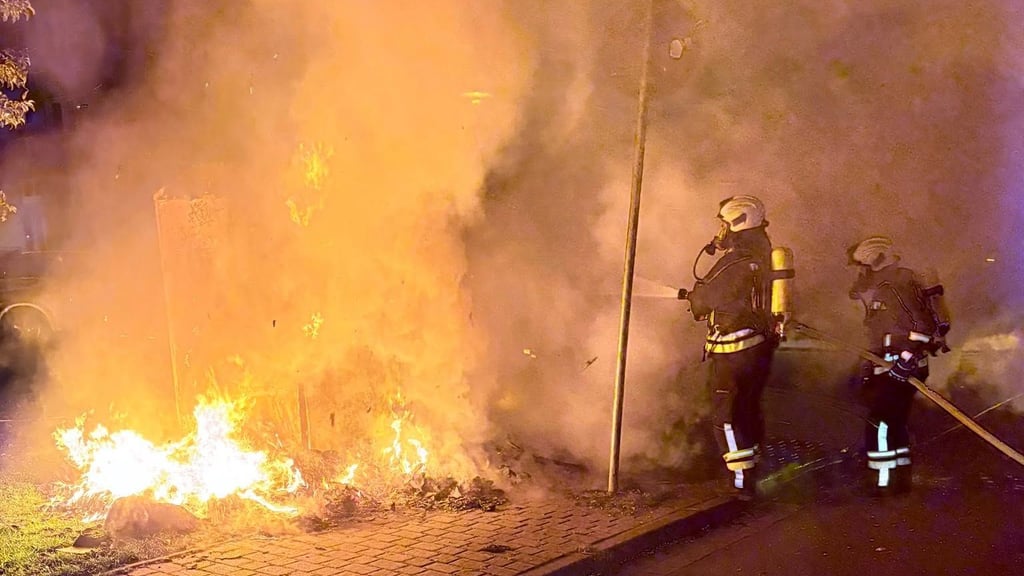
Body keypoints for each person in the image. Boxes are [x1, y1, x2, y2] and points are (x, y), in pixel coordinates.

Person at [678, 196, 778, 496]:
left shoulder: (735, 261)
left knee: (726, 416)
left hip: (733, 350)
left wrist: (694, 299)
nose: (720, 231)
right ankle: (753, 472)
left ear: (738, 222)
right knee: (748, 409)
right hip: (757, 349)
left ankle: (741, 481)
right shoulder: (762, 254)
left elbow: (707, 297)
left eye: (723, 224)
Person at [847, 235, 950, 495]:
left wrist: (905, 361)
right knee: (895, 421)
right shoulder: (897, 282)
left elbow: (922, 328)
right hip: (899, 364)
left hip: (899, 365)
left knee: (879, 423)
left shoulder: (893, 287)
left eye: (863, 267)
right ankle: (901, 479)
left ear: (876, 261)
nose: (861, 273)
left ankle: (881, 482)